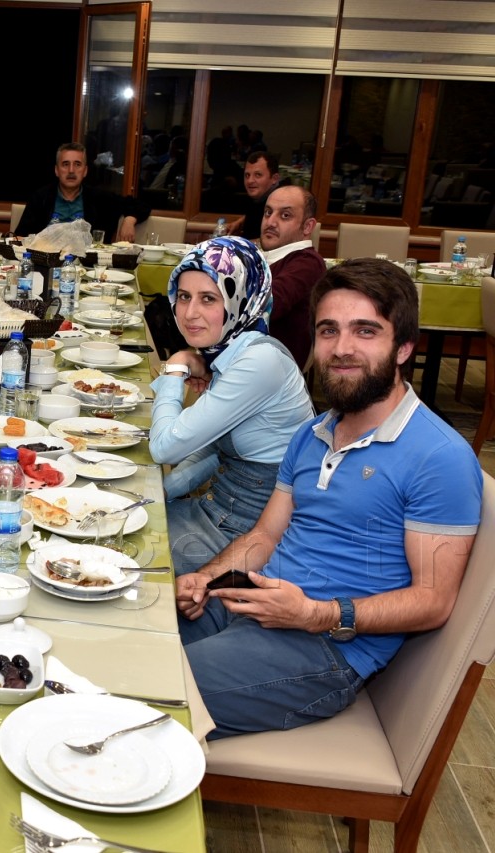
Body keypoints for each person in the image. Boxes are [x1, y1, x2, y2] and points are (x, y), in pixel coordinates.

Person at [176, 258, 483, 739]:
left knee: (151, 688)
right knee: (128, 639)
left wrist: (317, 614)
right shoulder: (312, 433)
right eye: (328, 331)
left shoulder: (439, 456)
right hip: (254, 602)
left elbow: (433, 600)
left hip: (326, 648)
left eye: (365, 331)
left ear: (404, 347)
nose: (341, 349)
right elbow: (265, 535)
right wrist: (206, 579)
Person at [151, 237, 314, 573]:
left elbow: (164, 448)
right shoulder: (234, 350)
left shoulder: (258, 363)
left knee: (123, 551)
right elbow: (211, 450)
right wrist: (158, 495)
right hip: (218, 513)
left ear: (241, 300)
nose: (190, 313)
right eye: (184, 296)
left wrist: (176, 367)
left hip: (247, 537)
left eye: (208, 298)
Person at [14, 142, 150, 242]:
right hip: (46, 263)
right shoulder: (40, 198)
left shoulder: (100, 198)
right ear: (56, 170)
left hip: (88, 266)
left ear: (85, 171)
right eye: (65, 164)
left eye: (77, 164)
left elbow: (142, 205)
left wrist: (129, 220)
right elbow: (20, 236)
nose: (71, 170)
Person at [259, 185, 326, 367]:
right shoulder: (269, 257)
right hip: (246, 359)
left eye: (285, 215)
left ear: (307, 226)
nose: (271, 222)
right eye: (268, 212)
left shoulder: (307, 263)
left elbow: (268, 304)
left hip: (271, 370)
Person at [228, 151, 284, 239]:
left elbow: (273, 241)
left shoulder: (281, 204)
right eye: (247, 175)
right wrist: (241, 221)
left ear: (274, 178)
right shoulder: (259, 196)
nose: (250, 181)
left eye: (258, 175)